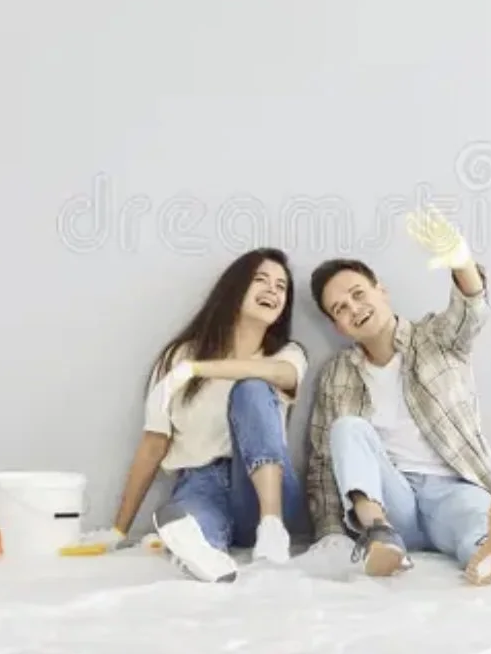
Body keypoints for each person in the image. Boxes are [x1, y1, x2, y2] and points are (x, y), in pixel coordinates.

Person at [304, 205, 491, 586]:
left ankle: (488, 555)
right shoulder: (336, 375)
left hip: (451, 486)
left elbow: (471, 313)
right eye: (340, 309)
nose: (354, 309)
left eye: (359, 295)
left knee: (474, 518)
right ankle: (381, 539)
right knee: (346, 428)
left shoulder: (436, 339)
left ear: (382, 290)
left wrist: (460, 261)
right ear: (338, 326)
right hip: (392, 502)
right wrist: (330, 533)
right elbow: (323, 464)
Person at [68, 247, 310, 582]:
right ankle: (203, 550)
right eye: (261, 280)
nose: (272, 290)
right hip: (200, 481)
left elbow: (284, 375)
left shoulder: (286, 354)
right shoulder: (178, 357)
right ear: (235, 288)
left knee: (251, 387)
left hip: (263, 487)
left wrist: (196, 370)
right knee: (188, 521)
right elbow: (153, 446)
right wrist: (118, 529)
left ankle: (271, 528)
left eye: (281, 286)